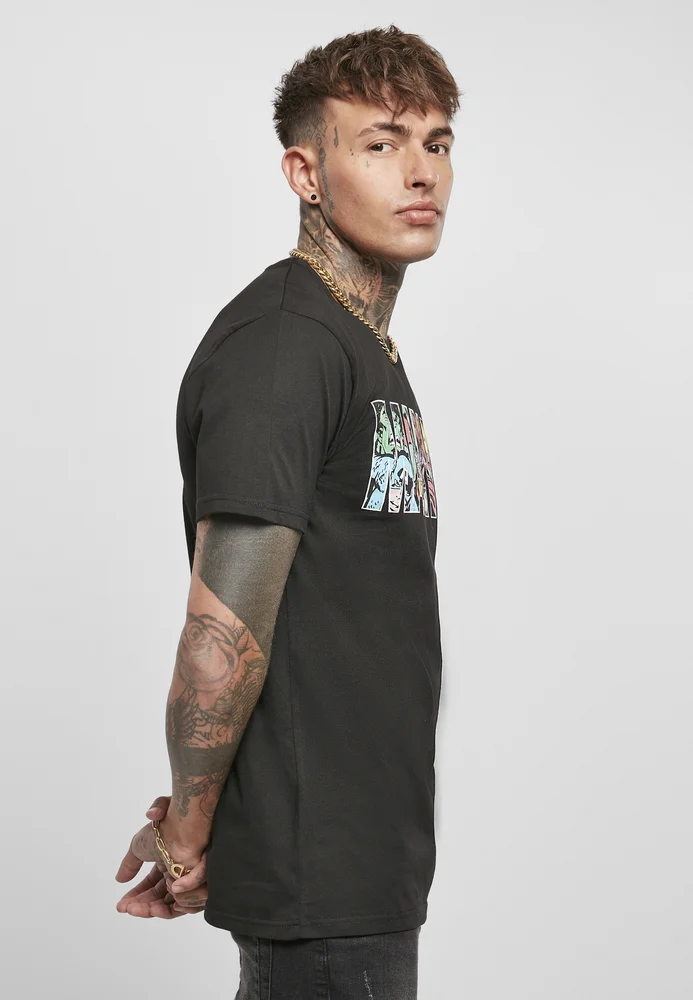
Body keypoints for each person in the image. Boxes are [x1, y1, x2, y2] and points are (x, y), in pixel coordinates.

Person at [115, 23, 462, 999]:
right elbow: (220, 634)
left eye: (436, 143)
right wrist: (188, 831)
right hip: (320, 877)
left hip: (365, 866)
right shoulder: (283, 348)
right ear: (306, 173)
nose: (420, 172)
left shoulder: (359, 345)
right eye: (381, 143)